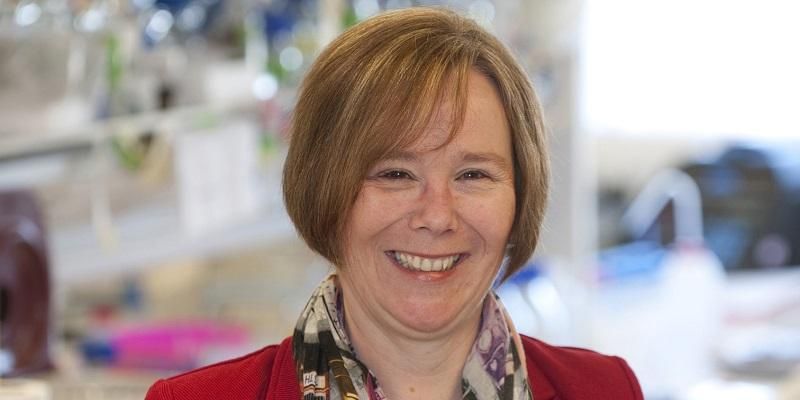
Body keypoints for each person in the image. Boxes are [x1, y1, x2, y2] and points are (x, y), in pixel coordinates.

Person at [145, 7, 643, 400]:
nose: (436, 215)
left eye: (473, 174)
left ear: (521, 196)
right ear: (324, 189)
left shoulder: (605, 390)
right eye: (396, 174)